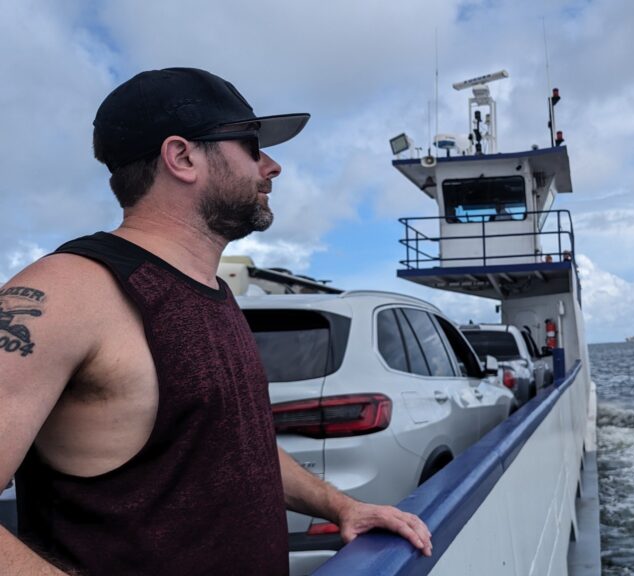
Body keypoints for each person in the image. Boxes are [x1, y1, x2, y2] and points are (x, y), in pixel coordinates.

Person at [0, 67, 431, 575]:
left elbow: (238, 451)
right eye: (251, 146)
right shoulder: (67, 294)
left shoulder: (212, 293)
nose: (272, 166)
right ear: (182, 157)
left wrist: (342, 506)